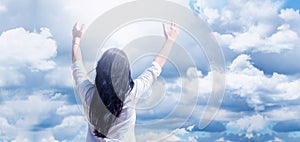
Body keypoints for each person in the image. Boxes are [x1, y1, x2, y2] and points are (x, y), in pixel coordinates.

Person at [72, 21, 179, 142]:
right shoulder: (132, 94)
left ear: (99, 70)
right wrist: (169, 41)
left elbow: (77, 65)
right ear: (126, 73)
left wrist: (76, 39)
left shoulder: (89, 95)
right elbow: (155, 67)